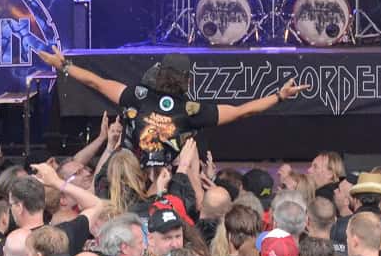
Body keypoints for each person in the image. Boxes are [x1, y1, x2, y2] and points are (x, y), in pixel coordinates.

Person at [35, 49, 309, 169]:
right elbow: (242, 111)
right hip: (168, 178)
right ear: (187, 79)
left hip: (132, 172)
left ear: (159, 73)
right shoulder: (191, 110)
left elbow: (95, 82)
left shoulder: (137, 96)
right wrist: (279, 96)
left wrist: (64, 65)